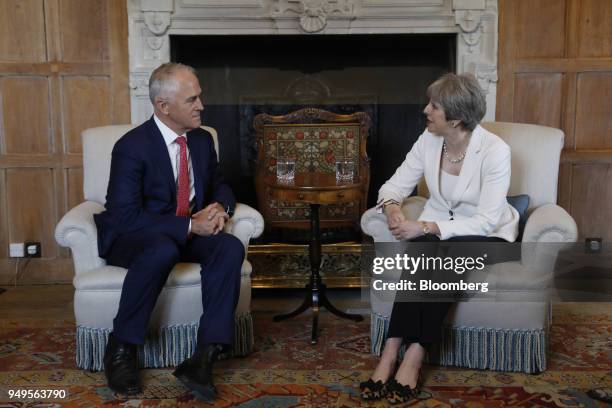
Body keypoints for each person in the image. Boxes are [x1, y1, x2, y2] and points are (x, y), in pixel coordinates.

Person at [360, 73, 519, 404]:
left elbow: (487, 219)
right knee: (422, 250)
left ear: (457, 117)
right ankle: (391, 351)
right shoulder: (429, 140)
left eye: (434, 106)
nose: (425, 110)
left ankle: (415, 353)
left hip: (487, 235)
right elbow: (393, 185)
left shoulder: (495, 151)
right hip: (437, 232)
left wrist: (427, 227)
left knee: (441, 253)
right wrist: (391, 209)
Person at [94, 62, 244, 400]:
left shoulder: (203, 141)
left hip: (183, 234)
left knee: (229, 247)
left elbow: (220, 185)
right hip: (136, 236)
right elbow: (124, 215)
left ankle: (204, 357)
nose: (201, 106)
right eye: (191, 100)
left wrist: (220, 208)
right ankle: (121, 347)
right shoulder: (132, 146)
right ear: (164, 106)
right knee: (162, 248)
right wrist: (191, 224)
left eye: (199, 97)